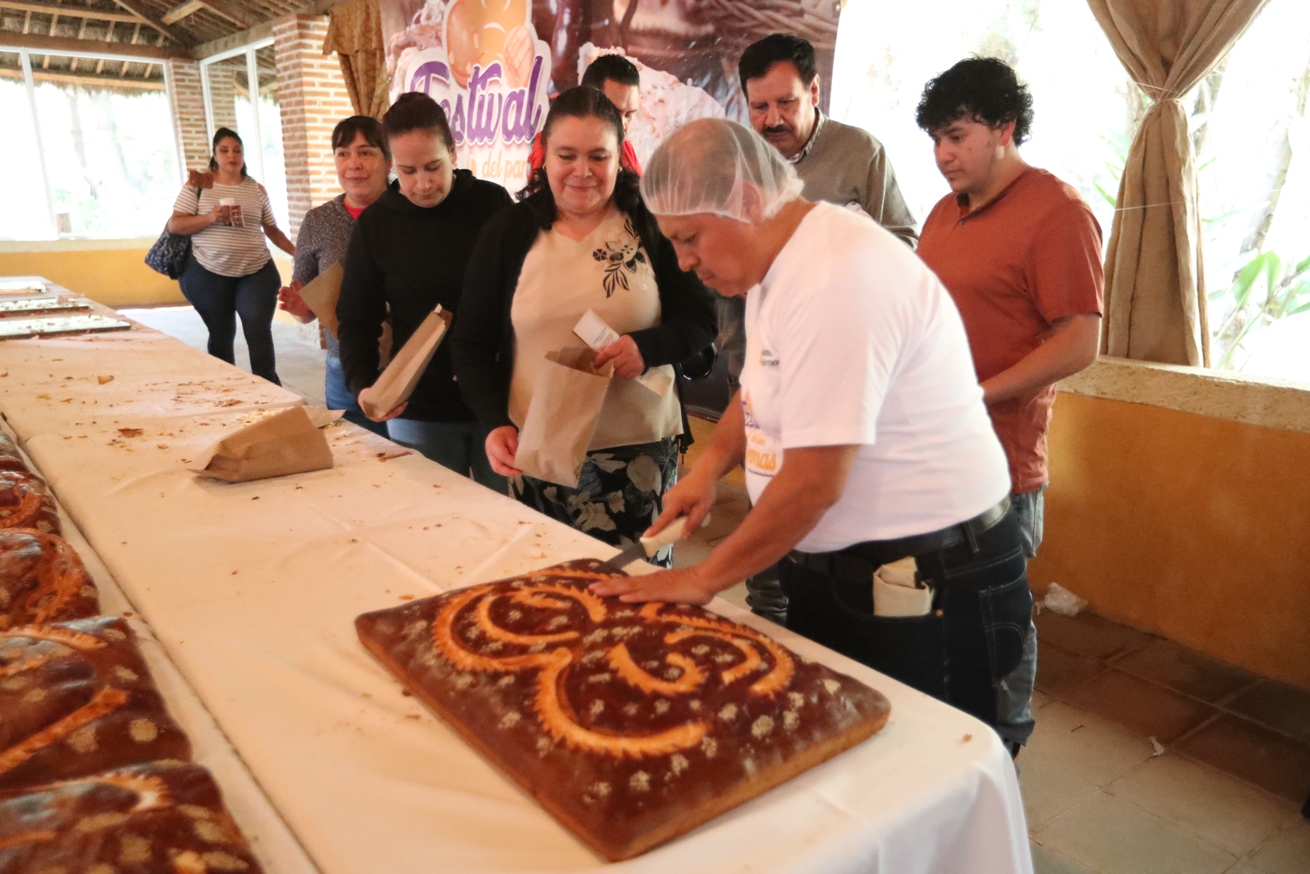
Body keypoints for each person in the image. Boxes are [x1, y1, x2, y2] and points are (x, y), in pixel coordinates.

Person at [591, 119, 1032, 742]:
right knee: (840, 746)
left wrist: (700, 578)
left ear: (746, 199)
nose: (684, 262)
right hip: (845, 568)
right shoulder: (779, 264)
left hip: (926, 576)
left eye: (690, 238)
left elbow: (815, 483)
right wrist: (709, 468)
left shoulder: (837, 276)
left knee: (923, 760)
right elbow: (761, 385)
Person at [914, 58, 1104, 754]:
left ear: (1004, 128)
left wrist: (979, 393)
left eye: (957, 136)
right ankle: (947, 755)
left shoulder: (1057, 212)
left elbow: (1080, 340)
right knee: (936, 618)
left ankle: (1001, 756)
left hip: (1000, 463)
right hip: (930, 453)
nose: (943, 155)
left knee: (995, 627)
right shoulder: (945, 212)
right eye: (936, 139)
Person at [453, 86, 716, 565]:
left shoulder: (652, 224)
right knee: (547, 587)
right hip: (540, 451)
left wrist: (647, 348)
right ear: (544, 155)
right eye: (566, 155)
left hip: (640, 455)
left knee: (635, 589)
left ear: (620, 157)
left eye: (598, 156)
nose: (582, 171)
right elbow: (470, 344)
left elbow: (701, 320)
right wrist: (493, 423)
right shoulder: (509, 231)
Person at [336, 93, 512, 488]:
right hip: (417, 405)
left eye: (433, 166)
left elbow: (522, 296)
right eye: (408, 171)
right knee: (431, 517)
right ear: (391, 165)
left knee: (506, 516)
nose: (423, 183)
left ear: (452, 151)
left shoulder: (492, 204)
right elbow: (356, 316)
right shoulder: (377, 224)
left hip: (497, 404)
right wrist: (362, 384)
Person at [278, 116, 392, 436]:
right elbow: (306, 309)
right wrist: (301, 309)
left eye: (366, 152)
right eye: (343, 154)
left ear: (389, 160)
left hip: (406, 366)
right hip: (344, 368)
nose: (353, 164)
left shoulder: (409, 212)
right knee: (354, 454)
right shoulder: (318, 221)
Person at [169, 128, 295, 384]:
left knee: (258, 330)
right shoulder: (199, 183)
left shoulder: (256, 189)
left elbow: (272, 229)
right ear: (214, 155)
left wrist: (299, 253)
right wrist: (210, 217)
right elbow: (175, 224)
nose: (231, 155)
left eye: (237, 150)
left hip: (256, 270)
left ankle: (269, 390)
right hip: (207, 272)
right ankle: (227, 390)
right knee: (221, 334)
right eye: (224, 150)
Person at [527, 53, 644, 179]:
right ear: (587, 101)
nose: (622, 124)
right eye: (613, 112)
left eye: (629, 115)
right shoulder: (550, 147)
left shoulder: (626, 149)